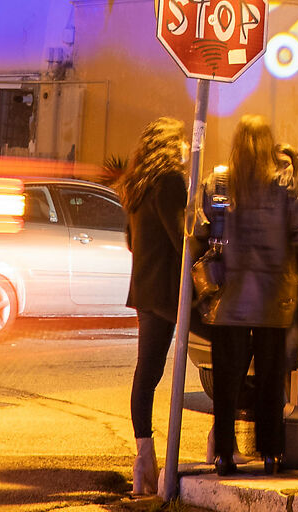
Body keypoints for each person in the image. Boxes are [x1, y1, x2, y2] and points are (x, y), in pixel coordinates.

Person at [203, 115, 298, 477]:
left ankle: (224, 454)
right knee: (270, 379)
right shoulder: (285, 184)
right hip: (273, 299)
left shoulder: (218, 181)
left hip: (229, 299)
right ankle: (271, 453)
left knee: (227, 382)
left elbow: (200, 228)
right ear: (269, 144)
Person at [123, 117, 187, 498]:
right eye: (180, 142)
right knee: (226, 346)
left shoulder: (138, 184)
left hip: (145, 290)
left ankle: (143, 458)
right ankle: (223, 437)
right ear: (169, 146)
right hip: (168, 292)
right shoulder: (170, 181)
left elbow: (131, 239)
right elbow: (182, 240)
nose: (184, 149)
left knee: (146, 374)